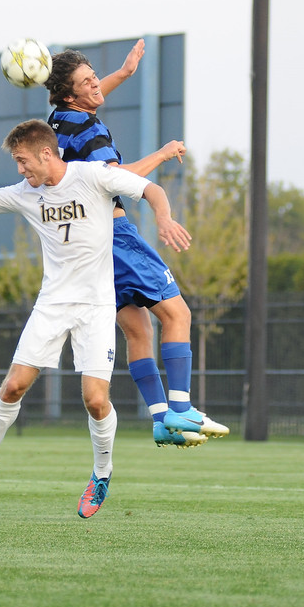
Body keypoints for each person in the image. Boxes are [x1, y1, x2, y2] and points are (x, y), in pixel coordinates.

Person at [0, 119, 191, 518]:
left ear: (47, 153)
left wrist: (163, 218)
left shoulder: (92, 176)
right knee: (13, 386)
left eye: (23, 161)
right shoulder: (26, 192)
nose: (20, 170)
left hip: (97, 307)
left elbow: (151, 189)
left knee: (96, 401)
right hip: (52, 304)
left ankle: (101, 475)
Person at [44, 41, 228, 448]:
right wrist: (162, 155)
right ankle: (181, 408)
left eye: (95, 77)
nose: (96, 86)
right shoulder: (88, 129)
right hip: (116, 237)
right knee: (178, 315)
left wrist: (124, 72)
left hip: (88, 246)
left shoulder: (59, 118)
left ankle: (161, 419)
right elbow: (117, 176)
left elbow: (91, 94)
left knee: (138, 330)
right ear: (70, 95)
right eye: (87, 83)